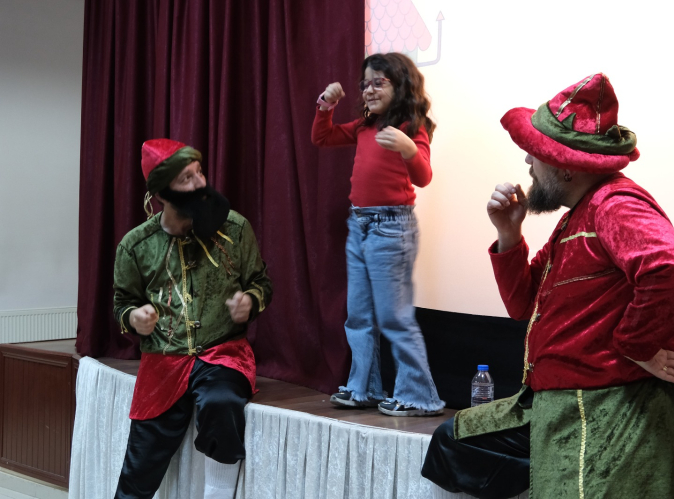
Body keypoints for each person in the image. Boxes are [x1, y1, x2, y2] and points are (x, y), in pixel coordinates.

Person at [421, 73, 674, 498]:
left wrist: (637, 347)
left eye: (536, 154)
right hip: (558, 398)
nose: (528, 162)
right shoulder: (575, 218)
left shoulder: (614, 205)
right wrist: (509, 234)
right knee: (451, 444)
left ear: (565, 167)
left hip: (606, 402)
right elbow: (523, 305)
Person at [113, 138, 273, 498]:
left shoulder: (235, 229)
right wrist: (135, 317)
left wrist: (250, 301)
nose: (200, 184)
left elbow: (261, 283)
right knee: (139, 464)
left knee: (221, 403)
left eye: (199, 172)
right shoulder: (136, 246)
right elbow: (122, 303)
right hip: (163, 361)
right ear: (162, 193)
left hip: (222, 353)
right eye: (186, 178)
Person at [311, 52, 445, 417]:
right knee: (358, 315)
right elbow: (322, 137)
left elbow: (423, 176)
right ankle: (363, 388)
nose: (368, 90)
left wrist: (408, 148)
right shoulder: (364, 126)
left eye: (378, 83)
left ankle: (418, 395)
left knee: (394, 317)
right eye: (365, 84)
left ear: (400, 86)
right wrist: (326, 106)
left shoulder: (411, 127)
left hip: (391, 227)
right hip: (359, 225)